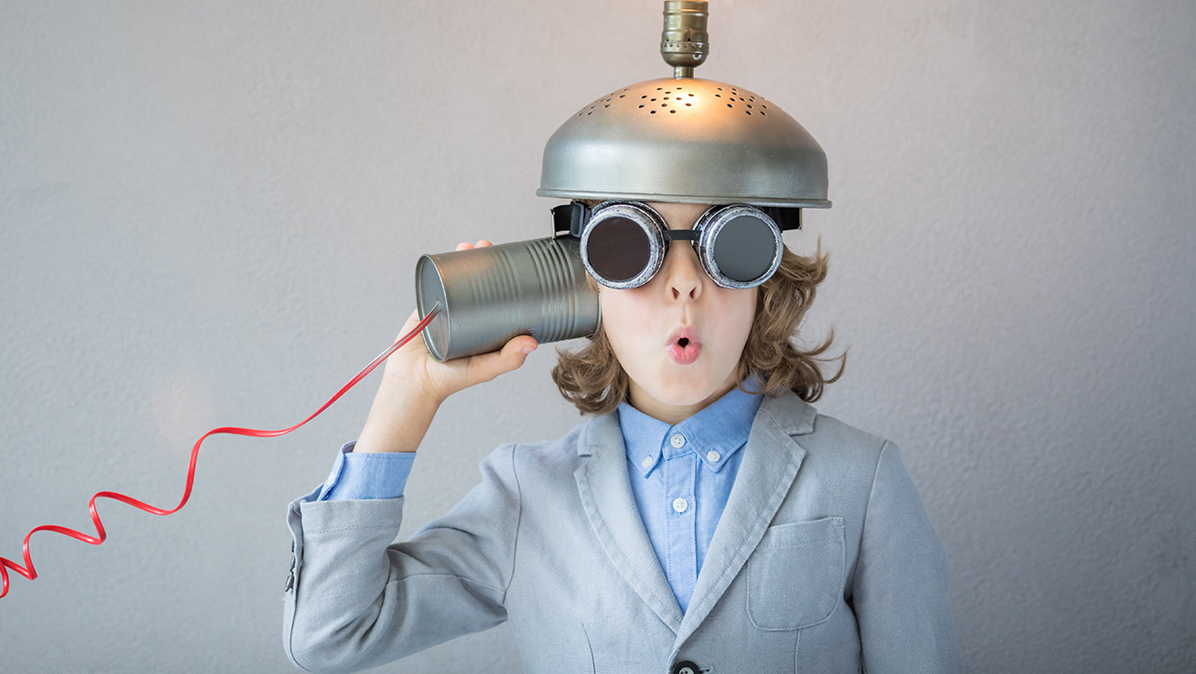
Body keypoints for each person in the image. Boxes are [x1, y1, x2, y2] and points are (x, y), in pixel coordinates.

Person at [281, 195, 962, 673]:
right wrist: (407, 397)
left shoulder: (862, 479)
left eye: (729, 247)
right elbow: (330, 633)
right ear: (586, 288)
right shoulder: (526, 497)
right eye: (632, 248)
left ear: (767, 282)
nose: (685, 285)